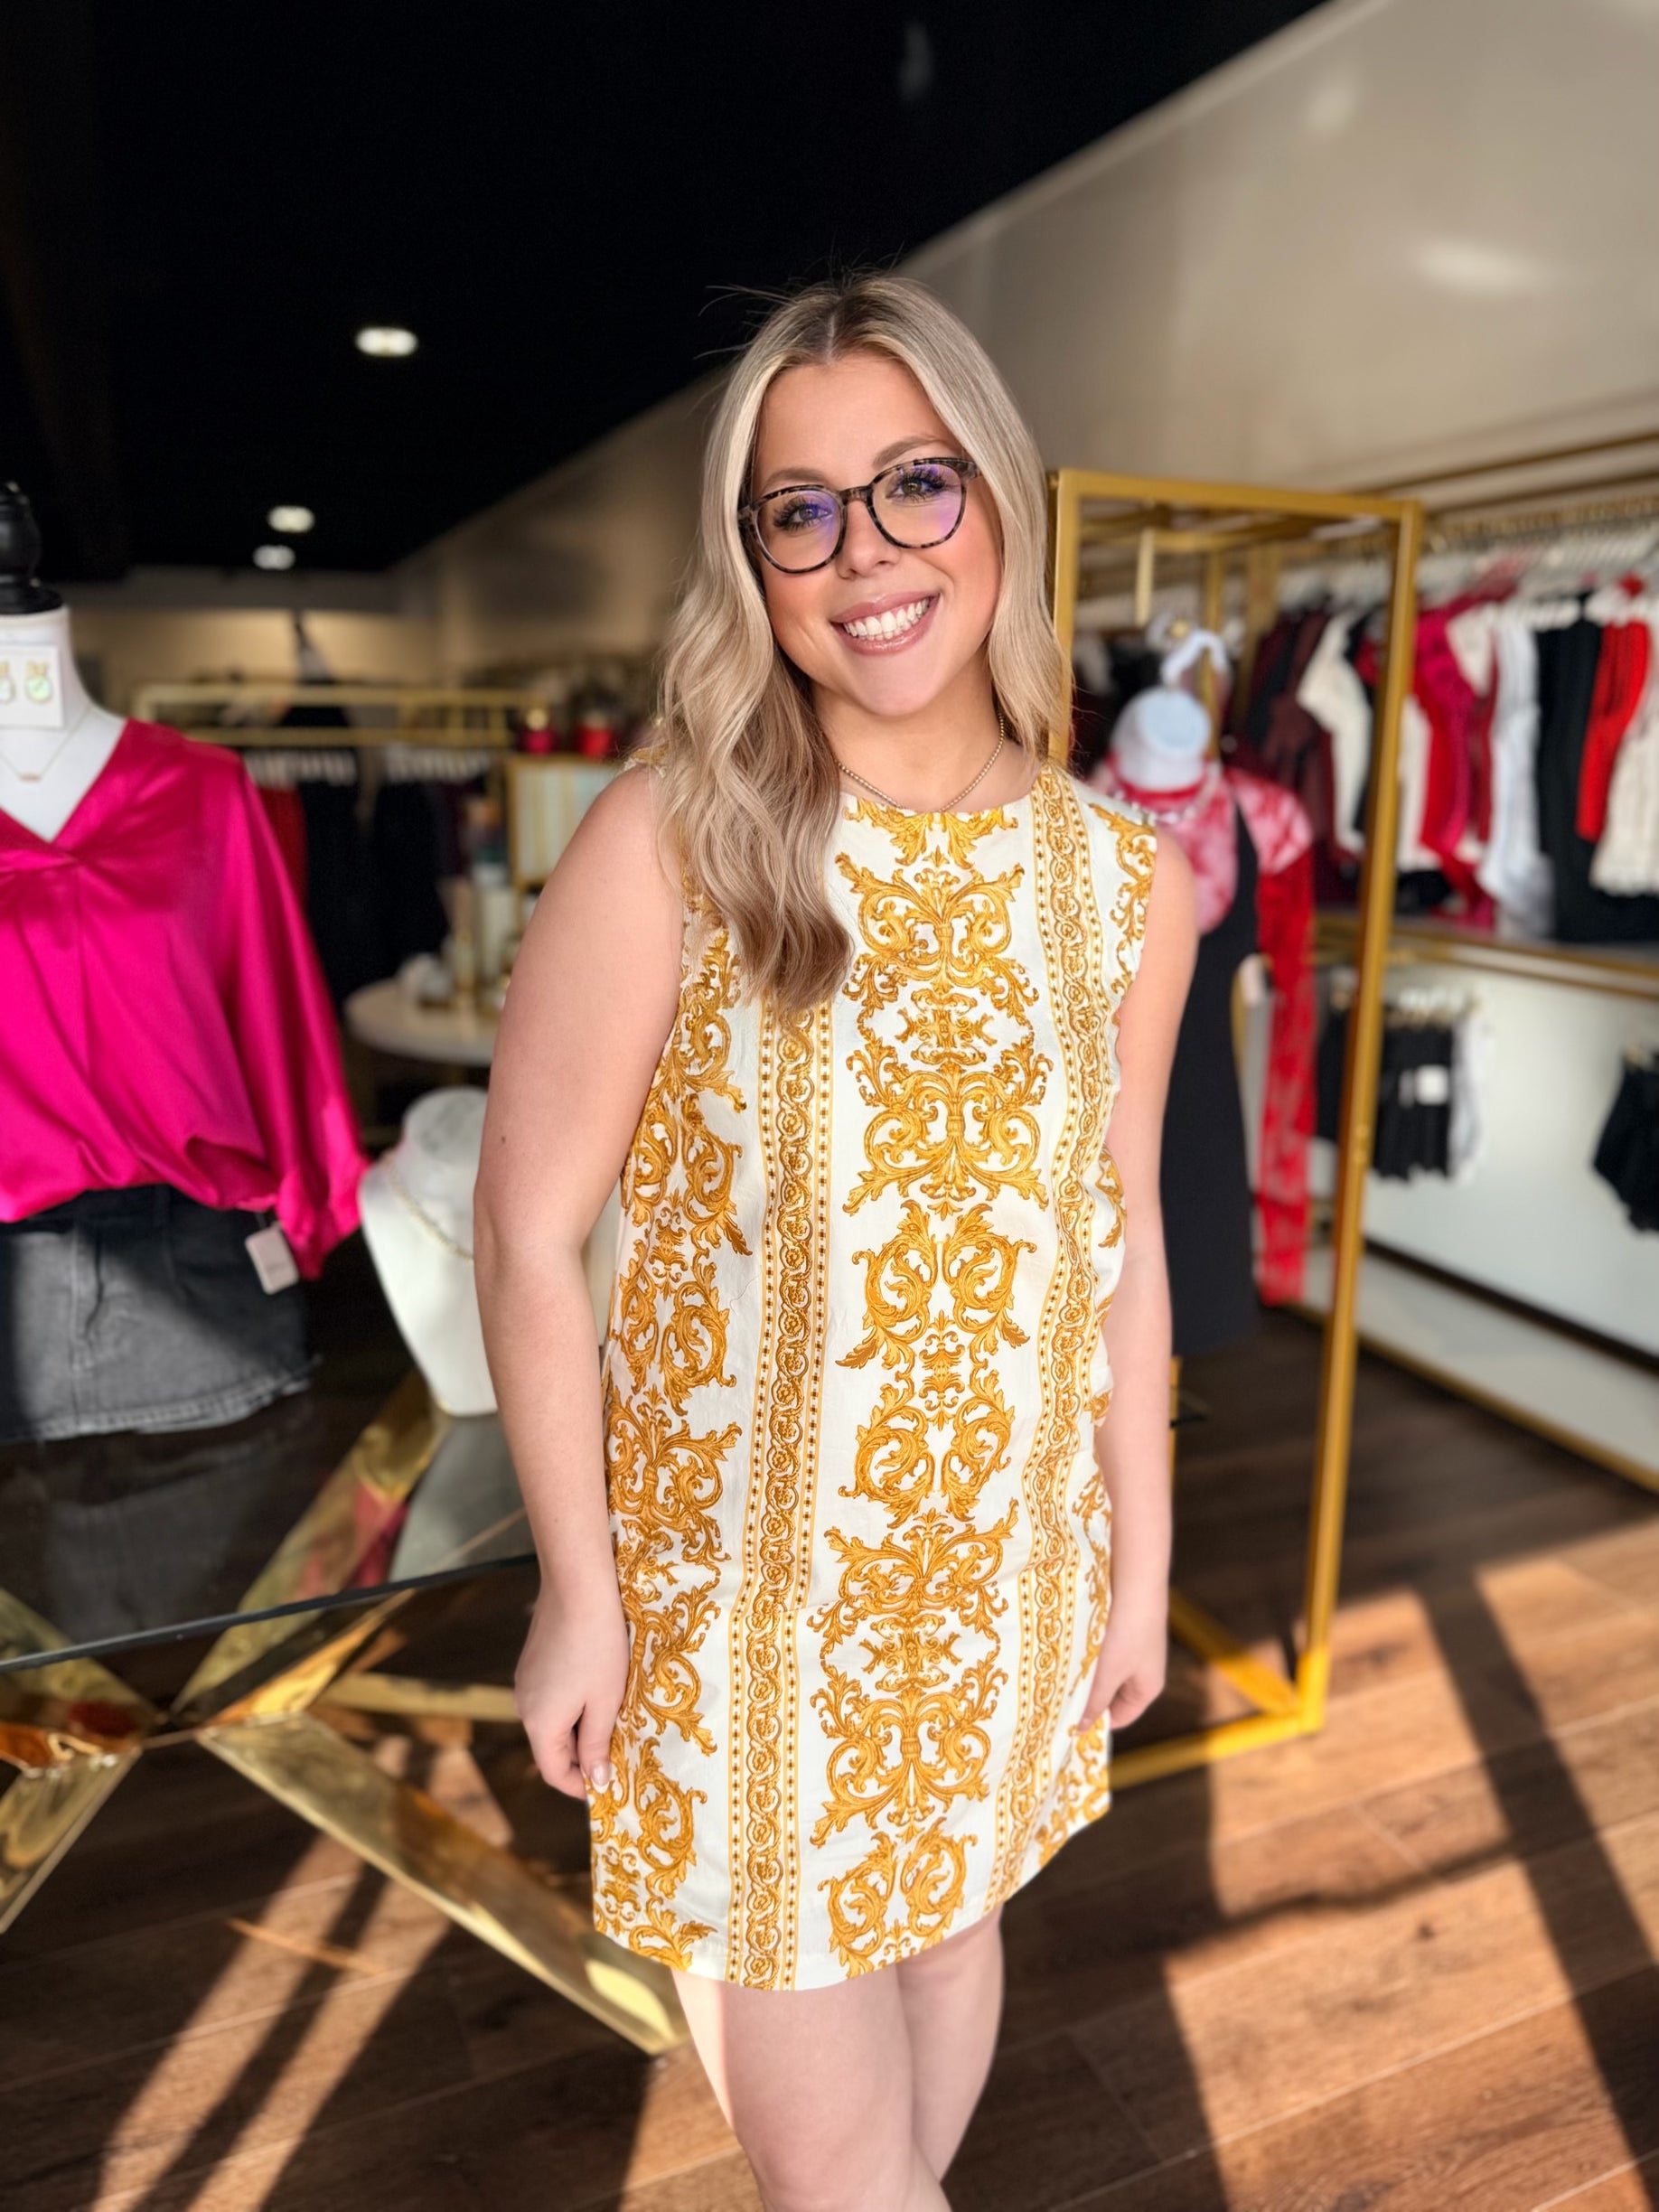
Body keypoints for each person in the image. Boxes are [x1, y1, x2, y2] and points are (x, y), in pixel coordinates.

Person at [474, 272, 1196, 2212]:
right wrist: (578, 1589)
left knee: (955, 1939)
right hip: (741, 1623)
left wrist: (1142, 1569)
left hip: (1008, 1587)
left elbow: (1119, 1253)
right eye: (802, 511)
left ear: (1001, 506)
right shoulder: (679, 838)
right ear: (754, 559)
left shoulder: (1129, 886)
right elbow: (531, 1237)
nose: (865, 555)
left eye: (915, 487)